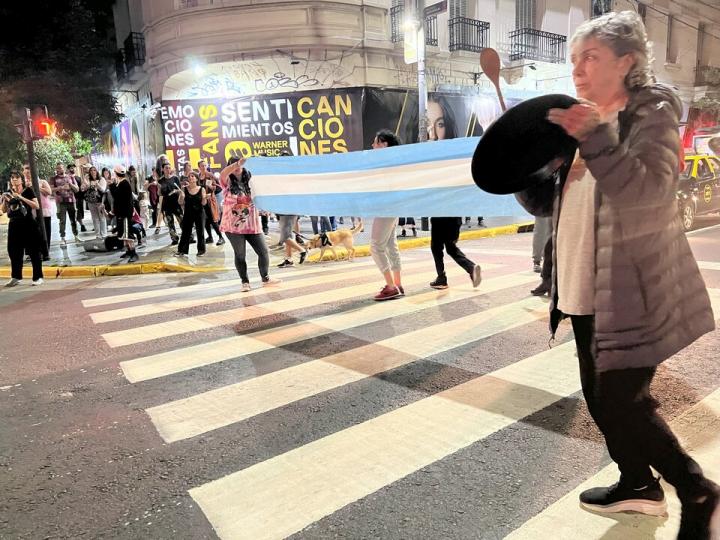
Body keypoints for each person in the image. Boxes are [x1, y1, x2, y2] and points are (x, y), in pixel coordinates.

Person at [515, 11, 718, 537]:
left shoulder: (650, 112)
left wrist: (595, 138)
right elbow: (548, 203)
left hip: (632, 290)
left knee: (624, 401)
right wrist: (523, 167)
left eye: (591, 57)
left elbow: (649, 192)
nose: (577, 69)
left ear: (626, 61)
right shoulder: (580, 121)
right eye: (574, 59)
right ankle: (638, 483)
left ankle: (698, 491)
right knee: (600, 398)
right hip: (581, 283)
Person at [219, 156, 279, 291]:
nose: (237, 167)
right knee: (240, 254)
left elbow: (261, 195)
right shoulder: (227, 181)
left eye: (240, 164)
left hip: (252, 224)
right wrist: (237, 164)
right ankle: (245, 282)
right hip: (233, 227)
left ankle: (265, 278)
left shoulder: (251, 179)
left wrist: (264, 208)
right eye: (233, 165)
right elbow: (223, 173)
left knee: (263, 251)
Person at [369, 129, 404, 300]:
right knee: (391, 246)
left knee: (376, 246)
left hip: (385, 207)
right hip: (393, 207)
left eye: (375, 142)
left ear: (384, 144)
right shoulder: (395, 162)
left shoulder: (385, 164)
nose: (372, 145)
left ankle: (391, 286)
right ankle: (397, 283)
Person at [1, 171, 43, 286]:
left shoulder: (28, 190)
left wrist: (20, 197)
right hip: (14, 225)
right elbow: (3, 210)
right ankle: (16, 276)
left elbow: (36, 205)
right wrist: (4, 199)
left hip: (28, 224)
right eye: (12, 178)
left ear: (21, 179)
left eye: (17, 177)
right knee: (14, 252)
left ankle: (38, 277)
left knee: (34, 251)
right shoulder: (9, 192)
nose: (14, 179)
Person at [429, 217, 482, 290]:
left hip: (440, 221)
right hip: (455, 221)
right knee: (451, 248)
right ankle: (471, 268)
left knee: (436, 248)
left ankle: (441, 278)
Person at [110, 164, 138, 263]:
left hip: (125, 214)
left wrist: (112, 185)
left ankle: (133, 253)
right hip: (122, 214)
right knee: (123, 234)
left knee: (127, 234)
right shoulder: (121, 183)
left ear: (116, 173)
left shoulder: (124, 184)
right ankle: (129, 251)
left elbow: (117, 197)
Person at [23, 164, 52, 261]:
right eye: (25, 173)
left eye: (29, 172)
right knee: (34, 233)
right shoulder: (24, 184)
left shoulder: (42, 181)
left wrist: (36, 186)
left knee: (45, 231)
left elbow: (49, 192)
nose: (27, 174)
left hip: (44, 210)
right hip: (31, 211)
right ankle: (35, 252)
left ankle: (45, 252)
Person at [175, 171, 207, 257]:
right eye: (189, 176)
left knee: (200, 232)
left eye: (192, 176)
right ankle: (182, 250)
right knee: (185, 232)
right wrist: (181, 196)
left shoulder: (201, 189)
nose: (190, 177)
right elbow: (180, 202)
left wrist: (204, 198)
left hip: (199, 212)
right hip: (188, 212)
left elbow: (204, 203)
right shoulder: (184, 189)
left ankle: (201, 250)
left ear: (196, 179)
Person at [48, 162, 80, 246]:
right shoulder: (53, 178)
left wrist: (70, 184)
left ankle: (76, 236)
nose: (59, 169)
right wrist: (60, 187)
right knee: (62, 221)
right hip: (60, 202)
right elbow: (50, 190)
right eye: (57, 168)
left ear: (64, 168)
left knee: (73, 219)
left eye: (61, 168)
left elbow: (77, 189)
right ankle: (62, 238)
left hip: (71, 201)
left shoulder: (71, 177)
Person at [197, 159, 224, 245]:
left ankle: (221, 237)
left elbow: (214, 188)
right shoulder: (198, 176)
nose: (204, 167)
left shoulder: (210, 175)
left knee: (213, 220)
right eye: (202, 166)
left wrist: (210, 187)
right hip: (202, 201)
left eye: (205, 165)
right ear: (199, 167)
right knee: (205, 220)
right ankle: (210, 237)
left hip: (210, 200)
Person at [157, 161, 183, 245]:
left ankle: (188, 236)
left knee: (182, 220)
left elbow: (180, 190)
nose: (168, 170)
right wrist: (159, 189)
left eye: (169, 168)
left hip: (176, 203)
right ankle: (174, 238)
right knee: (170, 223)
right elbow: (159, 194)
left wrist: (176, 191)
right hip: (167, 204)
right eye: (166, 168)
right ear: (162, 169)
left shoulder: (175, 178)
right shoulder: (160, 181)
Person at [84, 166, 107, 239]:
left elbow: (103, 190)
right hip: (91, 202)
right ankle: (97, 234)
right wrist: (86, 181)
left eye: (94, 170)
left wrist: (98, 185)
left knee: (102, 218)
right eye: (91, 170)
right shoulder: (88, 180)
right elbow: (84, 189)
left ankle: (104, 234)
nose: (93, 172)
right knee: (95, 218)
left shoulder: (101, 179)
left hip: (100, 201)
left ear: (97, 171)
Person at [67, 163, 86, 233]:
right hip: (70, 198)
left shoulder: (78, 178)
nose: (73, 169)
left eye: (74, 168)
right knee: (73, 213)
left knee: (79, 212)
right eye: (71, 168)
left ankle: (81, 225)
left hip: (79, 197)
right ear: (68, 169)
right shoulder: (66, 178)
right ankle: (80, 226)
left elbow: (81, 188)